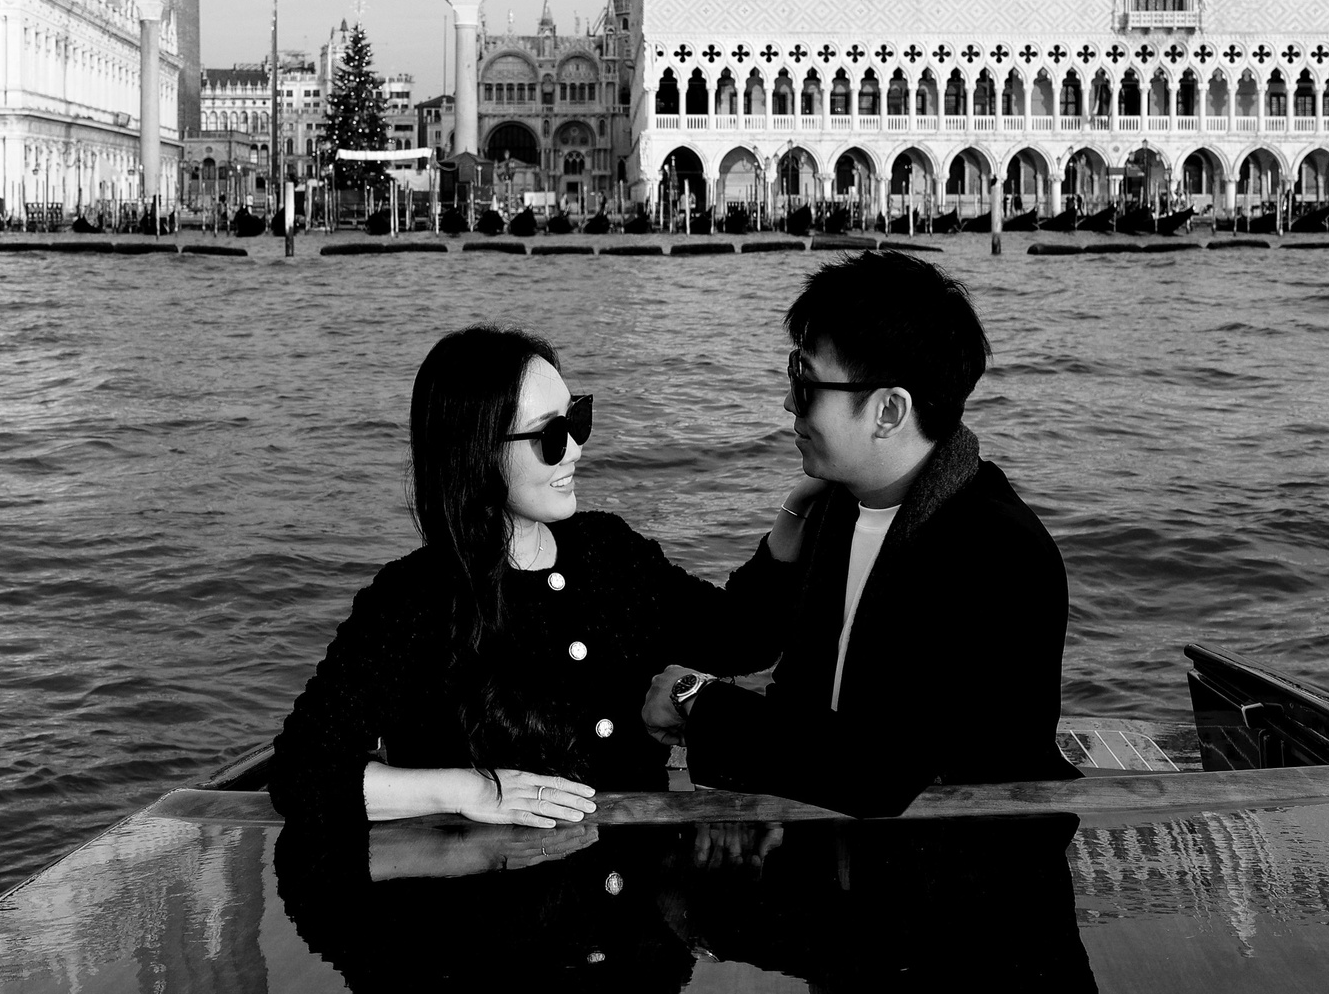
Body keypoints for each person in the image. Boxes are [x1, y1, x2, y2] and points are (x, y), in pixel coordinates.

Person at [268, 326, 776, 830]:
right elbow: (302, 767)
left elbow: (744, 638)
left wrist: (796, 514)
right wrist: (472, 791)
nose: (575, 448)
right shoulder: (417, 598)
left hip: (633, 887)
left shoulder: (609, 550)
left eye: (578, 419)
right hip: (503, 894)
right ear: (478, 451)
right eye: (552, 435)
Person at [642, 250, 1079, 816]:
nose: (786, 402)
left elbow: (878, 767)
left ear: (888, 412)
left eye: (805, 383)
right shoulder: (836, 507)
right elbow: (748, 637)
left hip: (959, 880)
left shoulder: (997, 551)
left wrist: (697, 702)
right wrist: (788, 526)